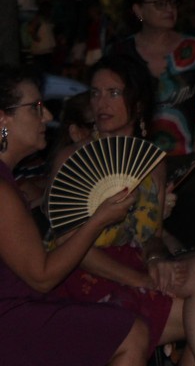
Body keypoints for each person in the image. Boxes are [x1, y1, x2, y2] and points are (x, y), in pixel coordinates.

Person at [47, 56, 195, 365]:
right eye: (95, 93)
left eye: (113, 93)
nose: (101, 103)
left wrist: (156, 257)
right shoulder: (71, 159)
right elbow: (68, 243)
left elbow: (152, 237)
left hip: (133, 262)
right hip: (82, 272)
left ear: (138, 102)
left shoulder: (152, 163)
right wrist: (138, 279)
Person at [0, 66, 150, 366]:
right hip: (10, 320)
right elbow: (42, 277)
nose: (46, 117)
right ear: (3, 119)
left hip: (22, 309)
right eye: (35, 108)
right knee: (131, 332)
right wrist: (99, 219)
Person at [109, 0, 195, 160]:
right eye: (160, 4)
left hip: (185, 157)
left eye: (172, 3)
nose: (169, 9)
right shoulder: (120, 52)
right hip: (132, 158)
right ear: (139, 10)